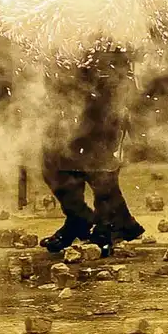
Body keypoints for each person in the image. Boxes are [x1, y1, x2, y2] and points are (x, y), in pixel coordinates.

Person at [40, 46, 145, 255]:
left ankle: (106, 228)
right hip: (71, 98)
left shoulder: (110, 30)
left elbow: (129, 56)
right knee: (52, 162)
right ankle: (82, 219)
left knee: (100, 168)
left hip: (106, 98)